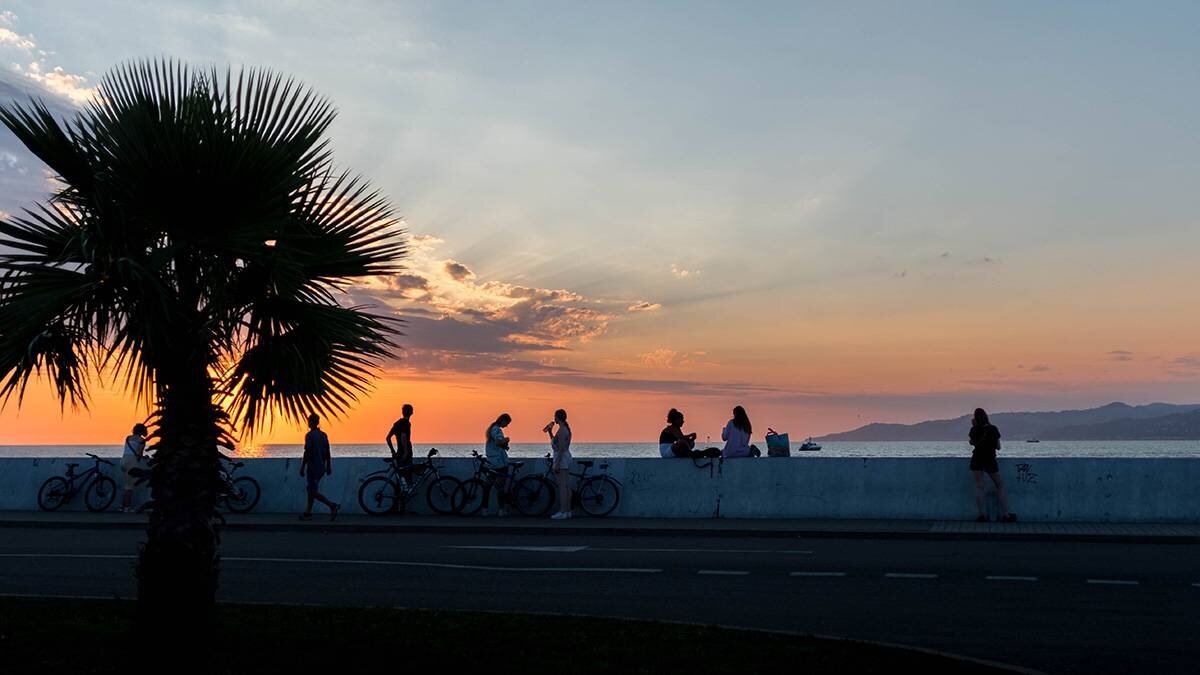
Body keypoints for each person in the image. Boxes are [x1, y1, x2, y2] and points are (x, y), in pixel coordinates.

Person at [969, 408, 1016, 523]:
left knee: (979, 487)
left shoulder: (974, 429)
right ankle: (1006, 515)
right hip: (989, 459)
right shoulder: (993, 429)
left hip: (976, 459)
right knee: (1000, 486)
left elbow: (972, 442)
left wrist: (974, 427)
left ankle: (982, 516)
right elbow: (998, 447)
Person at [300, 413, 339, 521]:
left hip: (313, 467)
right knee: (312, 489)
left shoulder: (309, 436)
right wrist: (329, 466)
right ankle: (308, 512)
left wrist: (302, 466)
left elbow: (307, 452)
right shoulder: (323, 435)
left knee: (311, 491)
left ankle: (332, 505)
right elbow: (327, 452)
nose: (308, 422)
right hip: (321, 467)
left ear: (312, 422)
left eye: (309, 420)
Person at [546, 409, 573, 519]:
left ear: (558, 417)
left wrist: (557, 463)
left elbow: (561, 448)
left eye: (555, 416)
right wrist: (550, 432)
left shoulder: (562, 430)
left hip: (561, 458)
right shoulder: (566, 429)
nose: (554, 418)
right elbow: (556, 444)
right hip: (566, 457)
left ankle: (563, 511)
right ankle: (568, 511)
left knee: (562, 487)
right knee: (566, 486)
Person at [485, 414, 513, 514]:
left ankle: (485, 510)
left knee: (488, 487)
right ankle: (501, 511)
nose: (507, 426)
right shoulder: (496, 429)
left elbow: (496, 444)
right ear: (503, 420)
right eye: (507, 423)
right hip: (499, 463)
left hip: (492, 462)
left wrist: (503, 445)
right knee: (500, 488)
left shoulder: (492, 429)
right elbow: (498, 442)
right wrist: (507, 439)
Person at [120, 423, 149, 513]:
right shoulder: (142, 440)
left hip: (123, 461)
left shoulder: (128, 438)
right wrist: (144, 457)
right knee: (130, 487)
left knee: (127, 485)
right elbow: (139, 454)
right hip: (131, 462)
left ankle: (123, 506)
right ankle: (127, 508)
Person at [385, 403, 415, 484]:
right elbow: (403, 436)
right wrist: (405, 452)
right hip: (406, 454)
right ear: (412, 413)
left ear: (402, 412)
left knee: (400, 478)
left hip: (398, 453)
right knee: (407, 477)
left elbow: (388, 438)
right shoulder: (406, 423)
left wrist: (393, 451)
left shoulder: (397, 424)